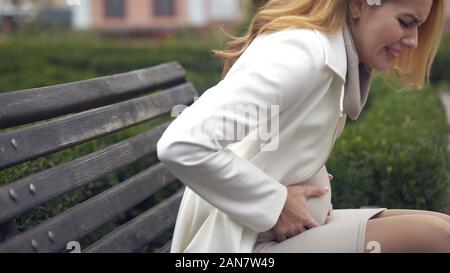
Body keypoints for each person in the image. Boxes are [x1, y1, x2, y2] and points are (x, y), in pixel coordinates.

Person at [157, 0, 450, 253]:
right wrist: (278, 205)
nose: (413, 40)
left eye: (418, 27)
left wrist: (308, 174)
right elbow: (183, 143)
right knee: (436, 239)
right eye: (406, 22)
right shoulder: (302, 52)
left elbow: (264, 141)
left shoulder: (324, 50)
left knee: (442, 227)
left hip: (261, 235)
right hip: (240, 245)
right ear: (360, 4)